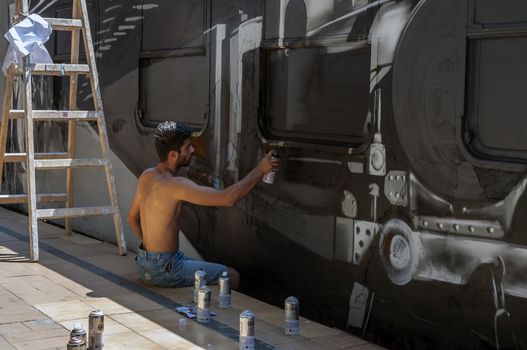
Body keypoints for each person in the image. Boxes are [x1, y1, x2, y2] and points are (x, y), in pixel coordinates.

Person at [127, 121, 278, 290]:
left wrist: (151, 255)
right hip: (165, 268)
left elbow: (132, 219)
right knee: (231, 276)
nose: (192, 151)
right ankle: (216, 315)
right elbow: (227, 198)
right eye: (188, 147)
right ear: (173, 155)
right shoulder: (177, 185)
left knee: (200, 269)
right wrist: (260, 169)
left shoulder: (147, 176)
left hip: (144, 263)